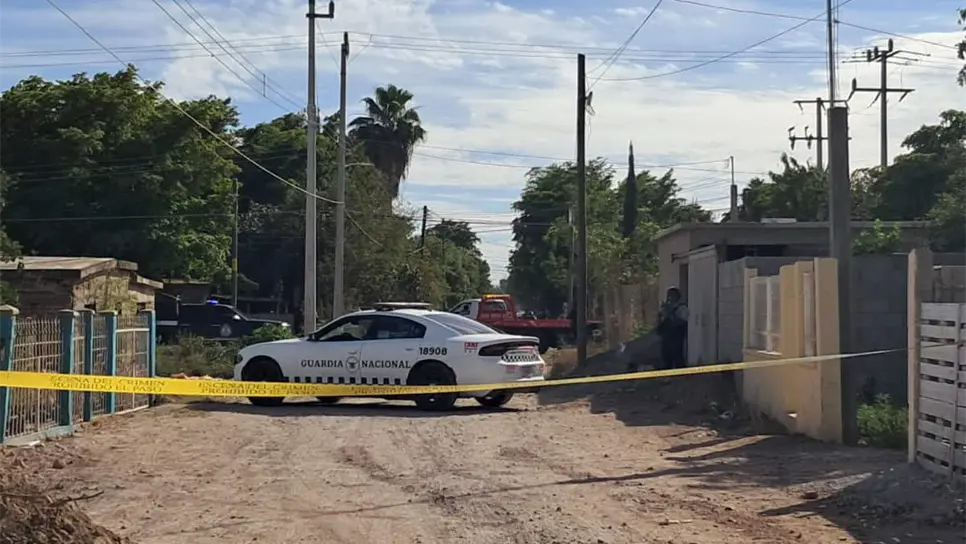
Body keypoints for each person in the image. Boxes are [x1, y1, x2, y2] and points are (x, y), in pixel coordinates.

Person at [656, 287, 689, 370]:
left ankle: (681, 376)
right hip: (666, 336)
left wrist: (670, 313)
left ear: (677, 296)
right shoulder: (666, 307)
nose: (669, 298)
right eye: (668, 295)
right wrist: (660, 316)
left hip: (677, 336)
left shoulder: (682, 308)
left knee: (677, 356)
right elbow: (661, 321)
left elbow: (681, 322)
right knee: (666, 356)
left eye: (671, 295)